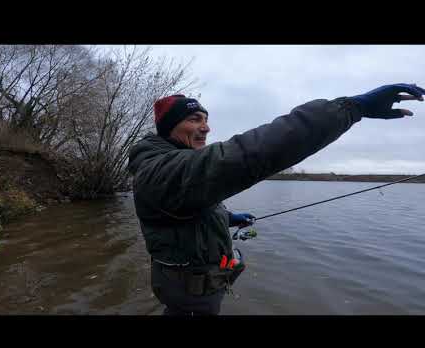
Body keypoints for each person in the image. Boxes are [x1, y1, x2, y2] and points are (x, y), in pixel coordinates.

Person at [127, 83, 425, 315]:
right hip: (189, 303)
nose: (206, 127)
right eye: (195, 119)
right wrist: (350, 108)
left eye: (206, 119)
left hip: (198, 295)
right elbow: (245, 155)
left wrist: (227, 218)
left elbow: (186, 209)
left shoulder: (173, 169)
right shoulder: (157, 170)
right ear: (170, 128)